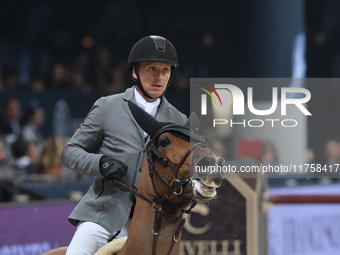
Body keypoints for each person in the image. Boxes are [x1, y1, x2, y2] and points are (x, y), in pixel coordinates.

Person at [61, 35, 188, 254]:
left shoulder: (179, 121)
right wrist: (101, 163)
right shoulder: (107, 107)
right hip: (103, 215)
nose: (159, 77)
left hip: (153, 225)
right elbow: (69, 153)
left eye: (166, 70)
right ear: (134, 72)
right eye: (151, 69)